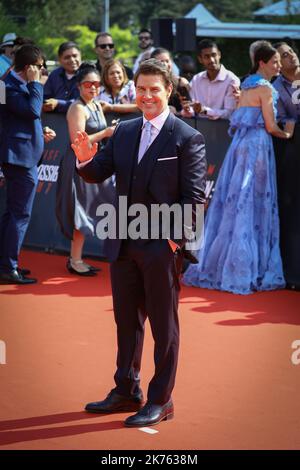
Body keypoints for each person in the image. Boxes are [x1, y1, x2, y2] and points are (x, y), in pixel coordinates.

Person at [71, 59, 206, 426]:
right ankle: (126, 390)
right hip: (124, 242)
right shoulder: (126, 131)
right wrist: (85, 159)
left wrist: (173, 245)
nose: (146, 96)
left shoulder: (186, 137)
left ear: (169, 93)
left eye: (154, 90)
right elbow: (99, 171)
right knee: (126, 322)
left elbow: (193, 200)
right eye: (141, 89)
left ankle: (161, 399)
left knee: (165, 327)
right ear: (134, 90)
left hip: (161, 247)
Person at [183, 44, 295, 295]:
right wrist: (287, 131)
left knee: (235, 201)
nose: (278, 66)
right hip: (257, 148)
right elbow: (270, 125)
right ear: (262, 62)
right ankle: (243, 268)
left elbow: (237, 118)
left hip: (239, 147)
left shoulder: (245, 85)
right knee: (250, 201)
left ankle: (225, 264)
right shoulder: (265, 88)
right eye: (275, 62)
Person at [0, 44, 56, 285]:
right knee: (20, 214)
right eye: (40, 67)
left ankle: (6, 263)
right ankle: (8, 266)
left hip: (22, 154)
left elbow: (18, 119)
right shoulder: (7, 86)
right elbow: (33, 110)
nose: (43, 72)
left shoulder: (8, 84)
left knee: (12, 213)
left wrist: (39, 132)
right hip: (18, 159)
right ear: (29, 68)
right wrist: (35, 84)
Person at [56, 62, 116, 276]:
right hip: (78, 165)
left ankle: (78, 258)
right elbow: (77, 140)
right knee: (80, 213)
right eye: (88, 84)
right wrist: (105, 134)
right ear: (79, 86)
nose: (93, 88)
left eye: (97, 84)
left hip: (94, 165)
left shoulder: (97, 105)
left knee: (95, 210)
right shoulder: (77, 108)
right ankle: (75, 260)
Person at [183, 39, 240, 120]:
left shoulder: (232, 80)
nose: (212, 60)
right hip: (199, 128)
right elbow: (191, 110)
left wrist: (205, 111)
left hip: (223, 130)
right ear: (200, 59)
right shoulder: (196, 79)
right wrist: (188, 110)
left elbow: (229, 113)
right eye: (207, 56)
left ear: (219, 55)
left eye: (214, 55)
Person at [43, 41, 81, 113]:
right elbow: (45, 97)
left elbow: (83, 101)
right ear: (59, 60)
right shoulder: (54, 75)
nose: (72, 60)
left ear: (80, 56)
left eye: (75, 56)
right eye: (67, 57)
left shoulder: (87, 75)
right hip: (55, 120)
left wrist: (58, 103)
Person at [150, 47, 190, 114]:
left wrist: (178, 112)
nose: (165, 64)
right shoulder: (147, 84)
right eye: (161, 62)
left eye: (167, 61)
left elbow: (188, 109)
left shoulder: (180, 83)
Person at [272, 42, 300, 123]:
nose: (292, 56)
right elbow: (281, 120)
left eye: (291, 51)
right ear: (278, 63)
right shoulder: (275, 89)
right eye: (285, 55)